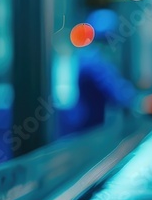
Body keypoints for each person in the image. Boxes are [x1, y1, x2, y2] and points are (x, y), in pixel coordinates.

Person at [57, 9, 136, 137]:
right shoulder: (94, 60)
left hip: (81, 122)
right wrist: (138, 101)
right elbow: (115, 91)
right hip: (84, 125)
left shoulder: (85, 54)